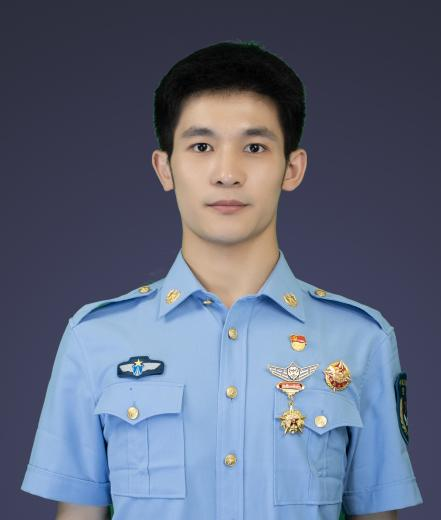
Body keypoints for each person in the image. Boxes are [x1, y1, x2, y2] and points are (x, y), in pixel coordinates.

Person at [20, 40, 423, 520]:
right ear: (165, 168)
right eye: (201, 146)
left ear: (291, 168)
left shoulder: (361, 340)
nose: (227, 173)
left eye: (254, 147)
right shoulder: (95, 339)